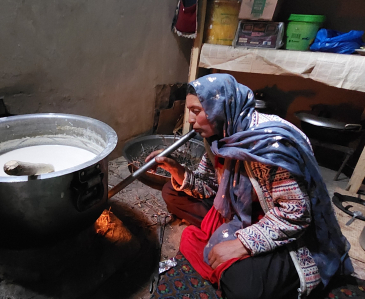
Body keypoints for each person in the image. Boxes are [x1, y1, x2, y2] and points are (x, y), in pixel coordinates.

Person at [146, 74, 352, 299]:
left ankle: (240, 252)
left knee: (244, 289)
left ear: (220, 108)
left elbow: (296, 214)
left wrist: (241, 245)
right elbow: (209, 186)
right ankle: (223, 233)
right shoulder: (220, 135)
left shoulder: (269, 147)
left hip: (277, 222)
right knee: (171, 191)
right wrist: (176, 169)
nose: (191, 121)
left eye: (196, 111)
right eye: (190, 111)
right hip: (236, 209)